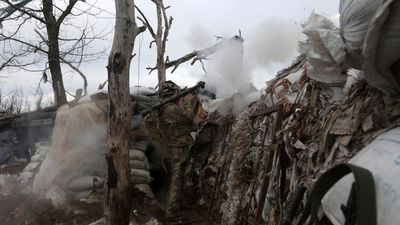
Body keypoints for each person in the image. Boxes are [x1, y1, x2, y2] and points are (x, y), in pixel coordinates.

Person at [157, 80, 197, 221]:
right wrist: (187, 101)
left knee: (178, 178)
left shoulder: (165, 108)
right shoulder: (171, 109)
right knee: (177, 180)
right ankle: (172, 213)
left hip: (175, 147)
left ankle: (176, 205)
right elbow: (189, 116)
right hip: (177, 149)